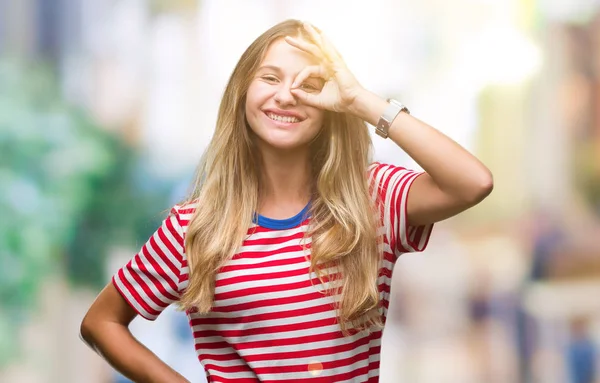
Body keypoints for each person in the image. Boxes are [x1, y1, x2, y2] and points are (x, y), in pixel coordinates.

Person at [80, 19, 493, 382]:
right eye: (270, 78)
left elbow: (472, 183)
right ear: (242, 93)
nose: (288, 95)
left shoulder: (373, 200)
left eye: (309, 85)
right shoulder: (194, 226)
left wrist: (361, 101)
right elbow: (101, 322)